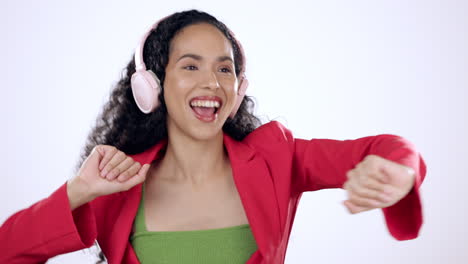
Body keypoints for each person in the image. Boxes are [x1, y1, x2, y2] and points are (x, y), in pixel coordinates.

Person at [0, 9, 426, 264]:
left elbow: (389, 149)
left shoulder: (277, 158)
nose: (212, 83)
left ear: (239, 88)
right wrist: (77, 192)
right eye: (190, 66)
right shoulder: (116, 183)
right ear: (151, 85)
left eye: (224, 68)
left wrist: (399, 172)